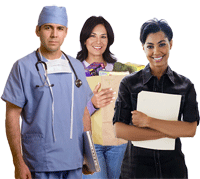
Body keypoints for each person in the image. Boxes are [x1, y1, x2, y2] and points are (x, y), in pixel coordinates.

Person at [1, 6, 94, 179]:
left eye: (59, 28)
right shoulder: (23, 67)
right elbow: (12, 116)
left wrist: (89, 155)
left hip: (74, 161)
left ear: (66, 32)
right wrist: (18, 162)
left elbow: (84, 113)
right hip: (39, 162)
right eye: (48, 27)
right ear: (37, 30)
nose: (54, 34)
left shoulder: (76, 68)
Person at [113, 18, 199, 179]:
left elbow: (190, 129)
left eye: (162, 44)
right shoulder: (129, 83)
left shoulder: (185, 86)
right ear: (143, 48)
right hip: (136, 171)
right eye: (150, 46)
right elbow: (119, 130)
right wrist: (168, 131)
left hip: (172, 170)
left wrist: (148, 122)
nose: (156, 52)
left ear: (171, 44)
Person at [77, 16, 127, 179]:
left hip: (118, 143)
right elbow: (65, 111)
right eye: (92, 35)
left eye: (103, 36)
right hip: (89, 142)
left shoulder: (119, 69)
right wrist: (91, 104)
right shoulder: (73, 70)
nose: (98, 41)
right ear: (84, 39)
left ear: (109, 40)